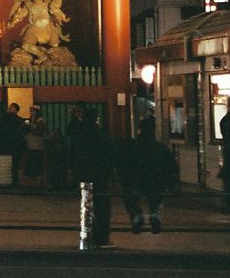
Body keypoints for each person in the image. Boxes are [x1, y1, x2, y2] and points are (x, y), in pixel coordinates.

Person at [114, 118, 177, 234]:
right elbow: (171, 166)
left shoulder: (132, 147)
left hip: (135, 180)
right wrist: (171, 183)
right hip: (155, 180)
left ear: (139, 130)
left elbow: (123, 164)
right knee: (155, 198)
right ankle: (155, 215)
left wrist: (123, 179)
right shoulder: (160, 148)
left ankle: (137, 216)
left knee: (130, 199)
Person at [71, 105, 114, 248]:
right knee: (102, 207)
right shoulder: (99, 134)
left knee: (86, 206)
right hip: (99, 174)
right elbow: (107, 154)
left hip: (83, 174)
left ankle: (86, 235)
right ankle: (101, 238)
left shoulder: (78, 133)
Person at [0, 102, 26, 185]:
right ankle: (13, 180)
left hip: (5, 143)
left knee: (7, 162)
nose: (10, 108)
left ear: (16, 110)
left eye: (12, 107)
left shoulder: (4, 118)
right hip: (14, 144)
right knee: (14, 163)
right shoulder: (19, 120)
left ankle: (5, 180)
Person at [24, 106, 47, 186]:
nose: (31, 113)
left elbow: (39, 131)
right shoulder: (33, 120)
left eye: (33, 111)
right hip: (32, 144)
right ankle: (33, 179)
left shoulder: (40, 120)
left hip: (37, 144)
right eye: (31, 111)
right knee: (32, 160)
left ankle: (38, 179)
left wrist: (30, 126)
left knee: (36, 161)